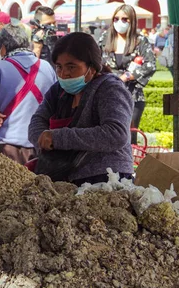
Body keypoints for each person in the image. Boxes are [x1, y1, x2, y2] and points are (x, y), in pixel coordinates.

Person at [28, 32, 134, 185]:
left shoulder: (110, 88)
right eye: (59, 67)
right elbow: (38, 120)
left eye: (72, 67)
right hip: (64, 177)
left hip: (107, 178)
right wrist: (42, 138)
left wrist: (58, 138)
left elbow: (116, 134)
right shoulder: (58, 91)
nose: (64, 74)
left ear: (91, 68)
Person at [0, 24, 57, 164]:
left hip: (7, 146)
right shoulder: (46, 67)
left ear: (3, 49)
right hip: (41, 143)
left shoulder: (0, 68)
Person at [100, 4, 156, 142]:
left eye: (125, 19)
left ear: (132, 21)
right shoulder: (105, 38)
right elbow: (95, 62)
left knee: (129, 137)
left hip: (133, 96)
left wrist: (127, 76)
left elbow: (150, 65)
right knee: (107, 135)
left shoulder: (140, 40)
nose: (120, 22)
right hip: (108, 94)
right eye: (116, 19)